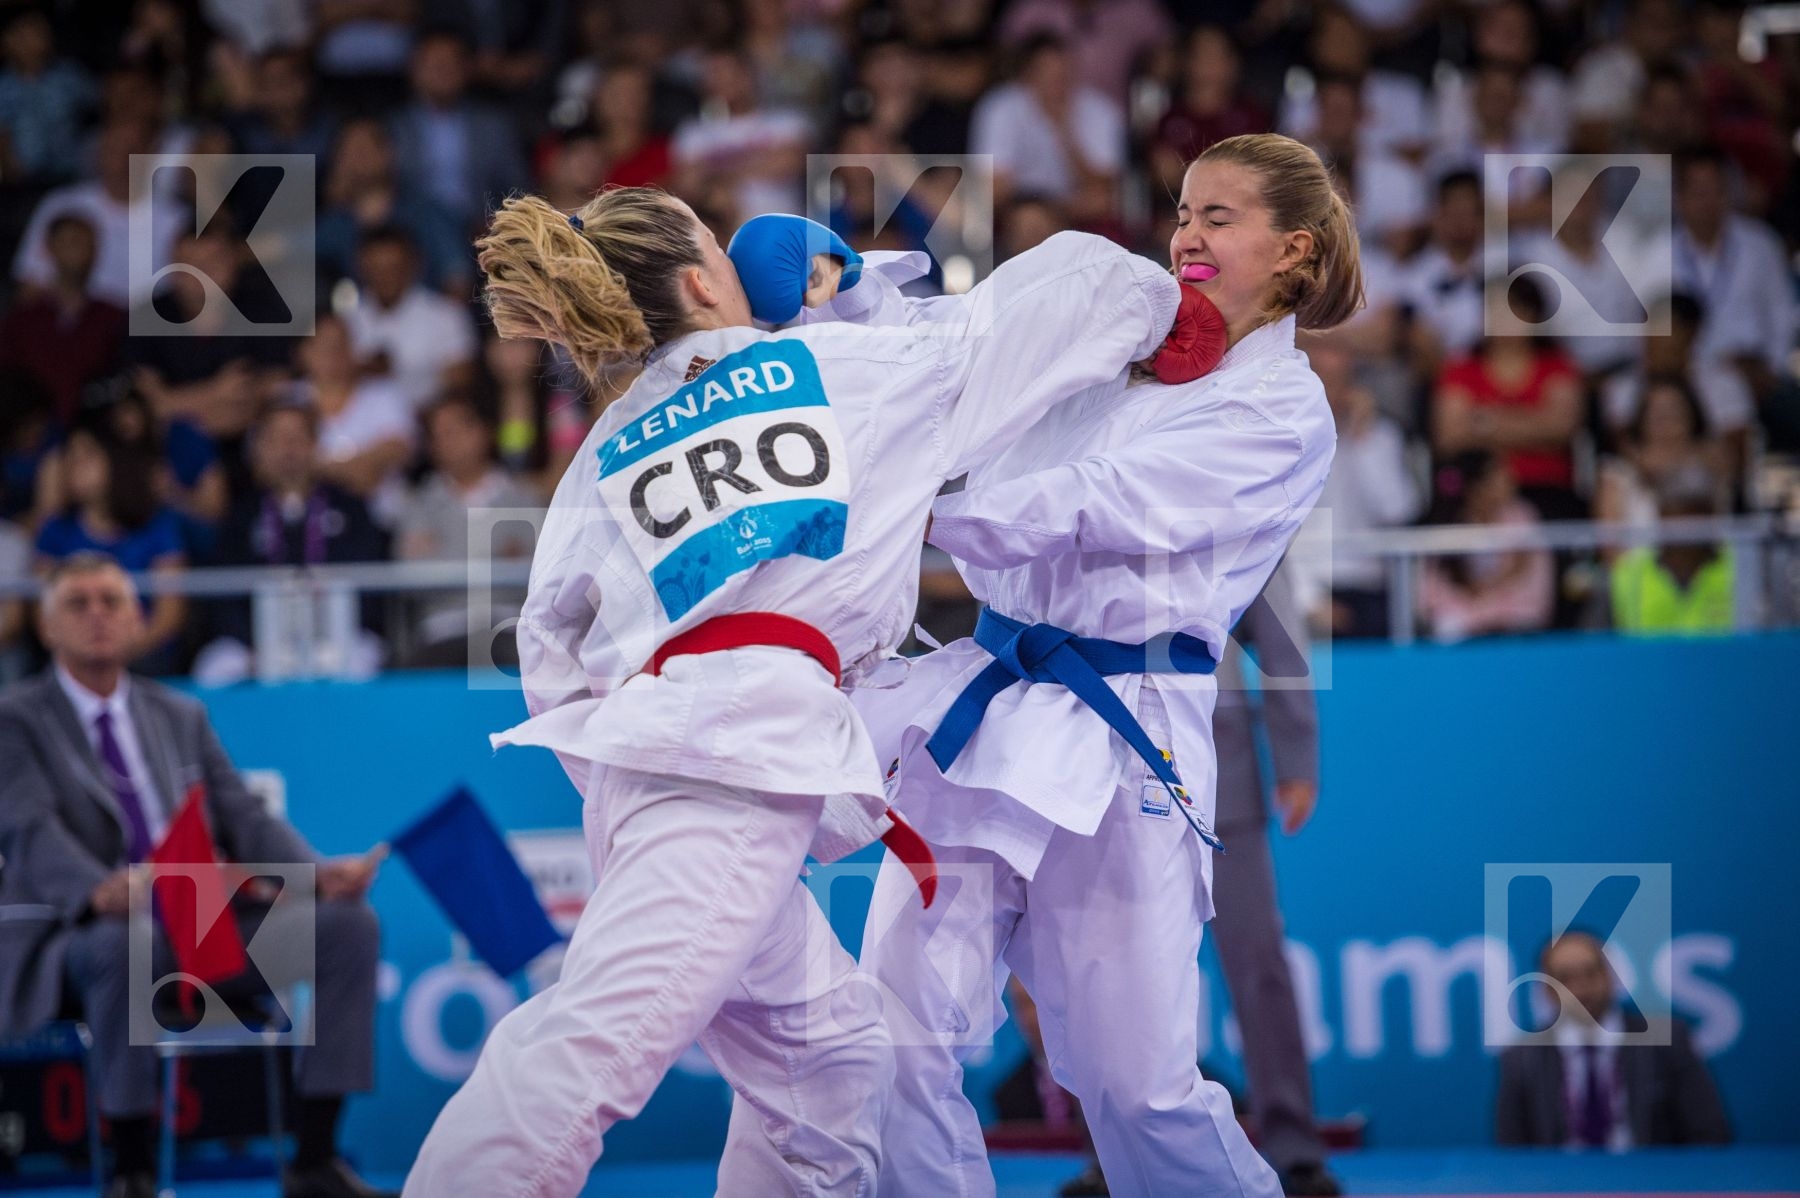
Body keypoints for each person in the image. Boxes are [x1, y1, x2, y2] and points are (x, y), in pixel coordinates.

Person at [404, 187, 1222, 1197]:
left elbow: (551, 648)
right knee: (590, 1049)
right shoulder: (843, 371)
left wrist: (638, 765)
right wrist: (1161, 305)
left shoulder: (609, 444)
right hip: (733, 771)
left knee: (833, 1060)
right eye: (717, 243)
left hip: (649, 766)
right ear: (706, 282)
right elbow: (1041, 308)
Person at [848, 132, 1355, 1198]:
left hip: (1126, 726)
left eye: (1219, 216)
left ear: (1295, 250)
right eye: (1180, 213)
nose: (1187, 236)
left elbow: (1107, 507)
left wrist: (935, 512)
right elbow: (966, 356)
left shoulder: (1281, 408)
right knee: (884, 1034)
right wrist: (854, 301)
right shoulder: (1118, 336)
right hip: (983, 706)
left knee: (1138, 1090)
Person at [0, 554, 392, 1198]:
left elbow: (243, 817)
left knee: (346, 927)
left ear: (136, 619)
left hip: (197, 926)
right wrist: (97, 890)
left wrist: (319, 875)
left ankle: (315, 1159)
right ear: (46, 628)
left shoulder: (180, 716)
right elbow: (27, 826)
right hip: (84, 937)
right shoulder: (17, 719)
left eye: (111, 601)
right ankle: (132, 1173)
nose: (98, 614)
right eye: (78, 603)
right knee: (128, 941)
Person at [1210, 567, 1339, 1195]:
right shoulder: (1079, 473)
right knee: (1109, 978)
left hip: (1222, 770)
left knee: (1259, 964)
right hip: (1102, 772)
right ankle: (1110, 1150)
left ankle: (1293, 1146)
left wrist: (1296, 754)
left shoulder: (1235, 477)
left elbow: (1280, 629)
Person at [1496, 931, 1731, 1148]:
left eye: (1590, 972)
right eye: (1564, 978)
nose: (1580, 987)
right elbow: (1513, 1151)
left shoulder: (1666, 1041)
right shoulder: (1522, 1056)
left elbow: (1709, 1134)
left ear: (1611, 976)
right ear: (1546, 990)